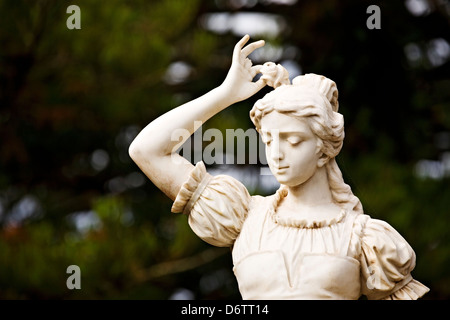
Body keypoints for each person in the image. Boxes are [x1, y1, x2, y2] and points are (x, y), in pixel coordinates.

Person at [129, 35, 429, 299]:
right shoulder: (244, 216)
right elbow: (146, 150)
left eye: (293, 140)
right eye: (269, 140)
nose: (277, 154)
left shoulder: (366, 238)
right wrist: (226, 94)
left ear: (324, 149)